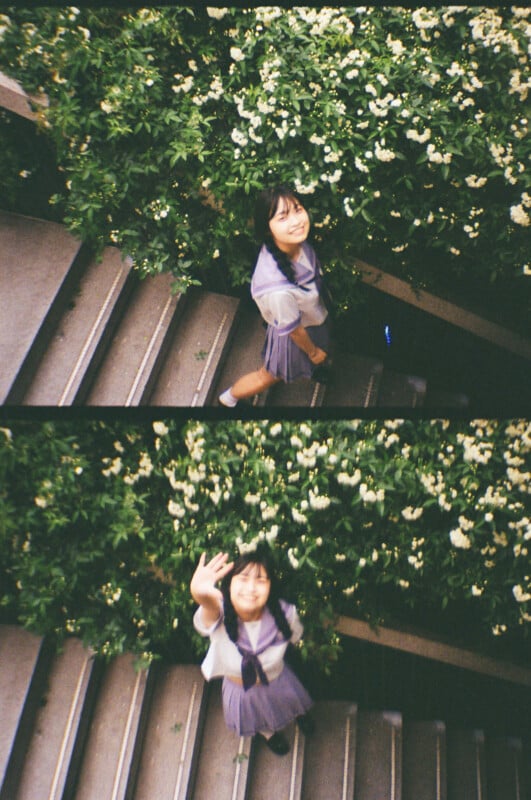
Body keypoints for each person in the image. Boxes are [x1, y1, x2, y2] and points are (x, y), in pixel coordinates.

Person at [190, 549, 314, 755]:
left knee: (291, 702)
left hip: (278, 680)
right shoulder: (219, 615)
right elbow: (209, 609)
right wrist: (200, 594)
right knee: (258, 718)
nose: (251, 588)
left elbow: (294, 636)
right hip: (243, 691)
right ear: (229, 584)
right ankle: (270, 735)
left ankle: (300, 717)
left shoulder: (285, 614)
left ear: (271, 587)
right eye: (243, 578)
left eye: (261, 580)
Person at [218, 186, 331, 406]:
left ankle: (312, 367)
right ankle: (229, 399)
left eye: (297, 209)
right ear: (268, 229)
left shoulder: (295, 243)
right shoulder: (278, 290)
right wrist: (313, 352)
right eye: (283, 217)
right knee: (267, 376)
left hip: (311, 321)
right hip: (295, 337)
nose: (297, 221)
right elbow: (295, 331)